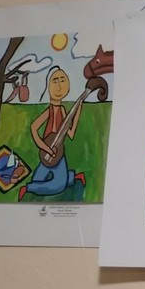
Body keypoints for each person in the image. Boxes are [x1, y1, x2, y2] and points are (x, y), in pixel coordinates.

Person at [21, 66, 85, 201]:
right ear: (48, 86)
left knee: (58, 186)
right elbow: (33, 128)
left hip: (59, 156)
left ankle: (28, 188)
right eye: (55, 81)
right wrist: (45, 148)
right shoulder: (49, 111)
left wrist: (78, 111)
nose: (59, 86)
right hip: (45, 156)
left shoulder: (62, 111)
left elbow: (71, 134)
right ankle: (72, 177)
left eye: (62, 80)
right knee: (37, 180)